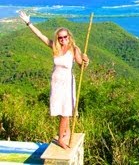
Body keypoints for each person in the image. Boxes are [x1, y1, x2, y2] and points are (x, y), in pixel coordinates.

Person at [19, 11, 89, 149]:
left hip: (68, 83)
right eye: (60, 37)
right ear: (58, 39)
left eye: (65, 37)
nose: (62, 39)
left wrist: (86, 61)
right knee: (61, 110)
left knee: (66, 112)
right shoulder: (55, 47)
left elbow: (82, 66)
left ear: (69, 37)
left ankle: (61, 139)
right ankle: (67, 132)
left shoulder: (74, 49)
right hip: (56, 83)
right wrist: (28, 22)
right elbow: (40, 36)